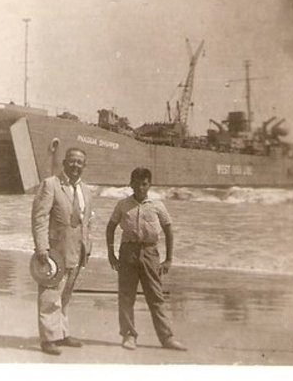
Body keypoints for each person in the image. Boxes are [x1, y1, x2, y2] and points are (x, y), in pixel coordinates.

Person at [106, 167, 187, 351]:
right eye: (136, 183)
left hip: (150, 253)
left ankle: (167, 338)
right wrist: (111, 253)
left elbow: (169, 231)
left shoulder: (158, 205)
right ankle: (129, 336)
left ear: (149, 184)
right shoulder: (122, 204)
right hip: (127, 253)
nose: (140, 187)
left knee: (156, 297)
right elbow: (110, 227)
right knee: (126, 296)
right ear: (131, 184)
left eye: (144, 184)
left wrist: (168, 259)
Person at [31, 147, 93, 356]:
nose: (76, 166)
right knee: (50, 294)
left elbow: (87, 221)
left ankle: (62, 333)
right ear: (65, 162)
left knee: (66, 295)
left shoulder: (86, 190)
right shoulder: (50, 184)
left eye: (80, 162)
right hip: (55, 251)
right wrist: (41, 247)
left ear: (84, 166)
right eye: (72, 161)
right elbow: (39, 218)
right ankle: (48, 338)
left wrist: (88, 245)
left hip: (77, 250)